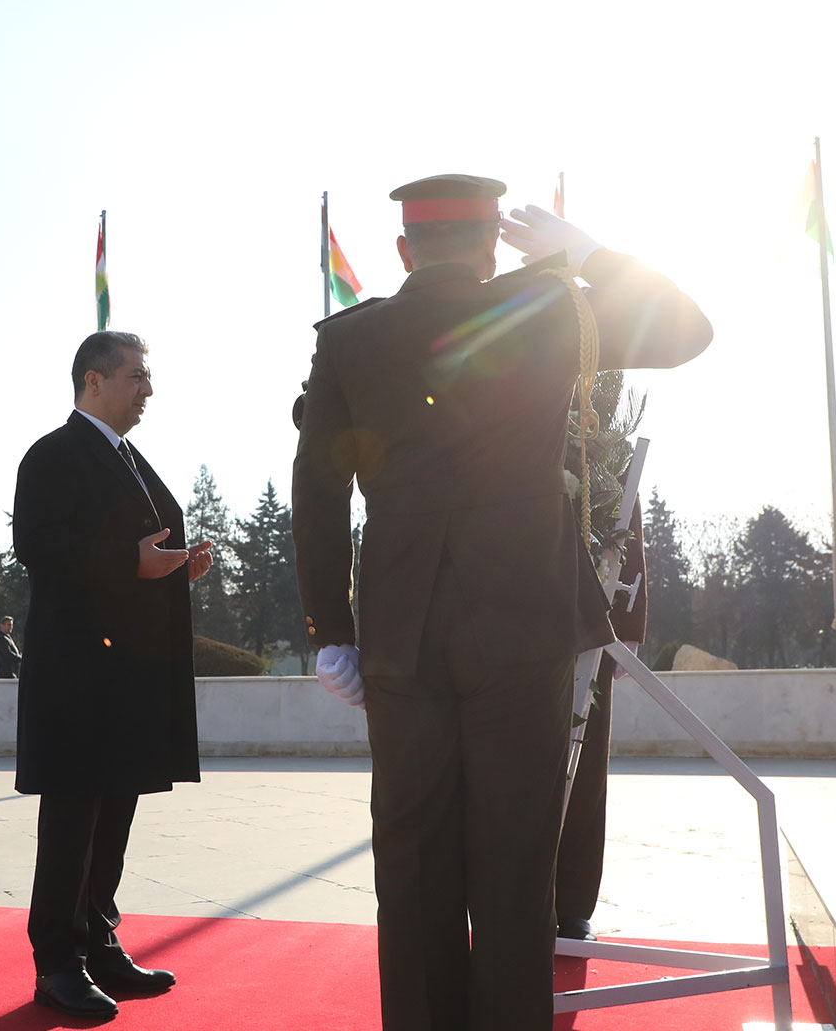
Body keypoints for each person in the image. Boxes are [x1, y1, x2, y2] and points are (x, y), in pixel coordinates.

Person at [292, 174, 711, 1031]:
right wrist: (585, 253)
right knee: (517, 867)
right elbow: (687, 331)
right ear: (492, 248)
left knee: (411, 862)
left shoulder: (351, 341)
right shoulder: (550, 307)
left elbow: (317, 492)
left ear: (405, 251)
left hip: (403, 634)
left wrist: (332, 631)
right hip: (523, 624)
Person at [12, 330, 216, 1019]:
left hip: (125, 675)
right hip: (77, 675)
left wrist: (170, 565)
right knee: (73, 819)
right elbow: (38, 546)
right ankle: (55, 964)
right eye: (137, 375)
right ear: (94, 381)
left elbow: (136, 547)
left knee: (114, 817)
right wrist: (129, 562)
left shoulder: (127, 457)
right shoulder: (54, 453)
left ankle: (99, 946)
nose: (148, 389)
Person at [555, 501, 648, 942]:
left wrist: (628, 623)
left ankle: (572, 906)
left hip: (594, 620)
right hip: (512, 610)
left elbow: (623, 499)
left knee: (585, 770)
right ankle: (509, 901)